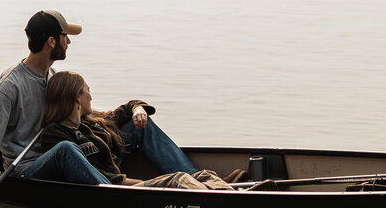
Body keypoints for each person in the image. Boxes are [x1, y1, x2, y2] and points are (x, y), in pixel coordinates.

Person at [19, 72, 235, 190]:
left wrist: (138, 108)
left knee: (203, 175)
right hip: (115, 190)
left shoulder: (94, 121)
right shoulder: (56, 134)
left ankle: (225, 190)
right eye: (88, 91)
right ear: (77, 97)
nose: (91, 96)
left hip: (123, 183)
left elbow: (126, 107)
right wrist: (137, 184)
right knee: (176, 180)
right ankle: (217, 197)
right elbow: (93, 175)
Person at [0, 11, 82, 199]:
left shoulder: (53, 76)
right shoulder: (10, 85)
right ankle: (116, 189)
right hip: (25, 169)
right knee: (66, 148)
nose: (69, 42)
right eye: (65, 37)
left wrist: (133, 109)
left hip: (51, 157)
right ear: (52, 42)